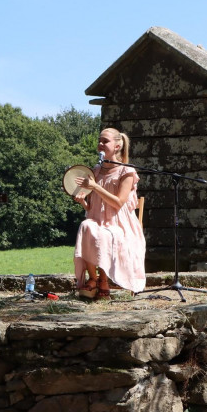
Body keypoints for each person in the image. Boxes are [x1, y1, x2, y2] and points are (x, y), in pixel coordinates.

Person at [72, 128, 146, 299]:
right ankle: (94, 278)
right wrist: (83, 201)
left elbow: (118, 203)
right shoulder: (96, 170)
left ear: (118, 145)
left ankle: (103, 282)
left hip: (120, 224)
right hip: (97, 220)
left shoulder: (127, 171)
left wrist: (95, 186)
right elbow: (92, 207)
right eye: (99, 140)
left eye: (105, 141)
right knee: (86, 226)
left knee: (104, 235)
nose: (100, 144)